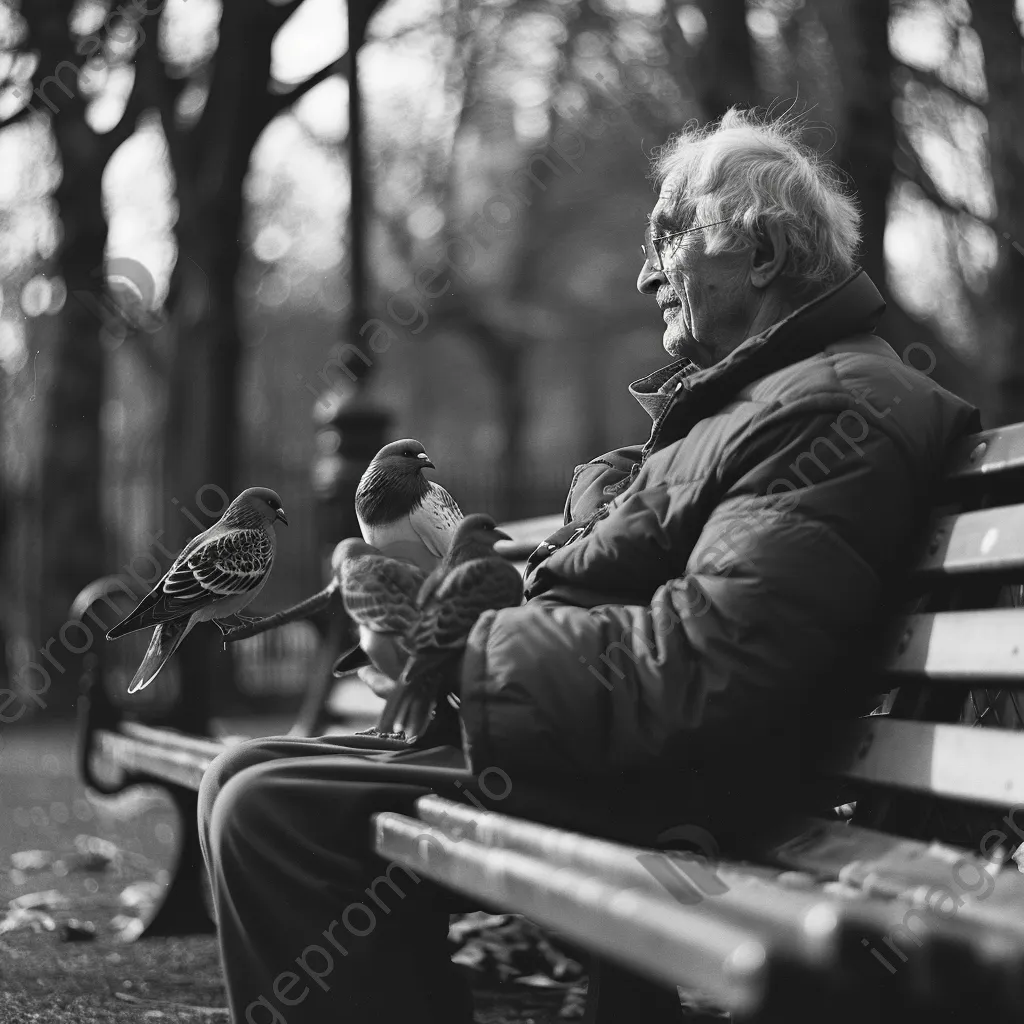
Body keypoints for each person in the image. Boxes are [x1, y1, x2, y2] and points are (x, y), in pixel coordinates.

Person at [199, 108, 979, 1024]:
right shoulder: (776, 398)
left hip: (692, 785)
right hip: (634, 751)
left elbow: (710, 665)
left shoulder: (834, 408)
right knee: (245, 776)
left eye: (668, 238)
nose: (648, 273)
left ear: (760, 257)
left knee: (272, 808)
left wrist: (463, 650)